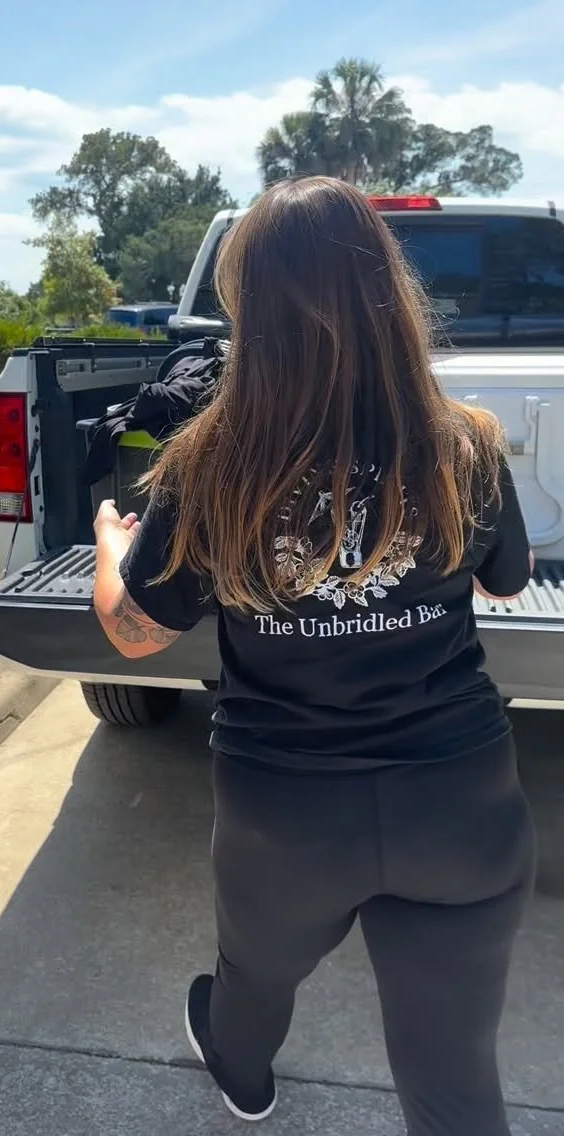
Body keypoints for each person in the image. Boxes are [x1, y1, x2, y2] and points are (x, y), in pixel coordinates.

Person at [93, 177, 536, 1135]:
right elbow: (506, 583)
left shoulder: (210, 463)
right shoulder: (464, 445)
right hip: (459, 804)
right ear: (389, 291)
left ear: (247, 305)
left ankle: (242, 1075)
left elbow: (134, 631)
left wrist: (108, 545)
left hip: (286, 815)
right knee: (456, 1083)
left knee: (252, 979)